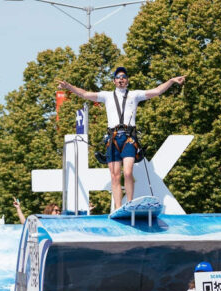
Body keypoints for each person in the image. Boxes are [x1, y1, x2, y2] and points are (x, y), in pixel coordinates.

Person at [58, 68, 186, 210]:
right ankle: (119, 207)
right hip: (113, 138)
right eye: (118, 77)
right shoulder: (107, 96)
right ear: (114, 81)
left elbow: (156, 91)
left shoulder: (134, 95)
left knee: (128, 172)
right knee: (115, 175)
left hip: (129, 137)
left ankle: (130, 203)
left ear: (127, 80)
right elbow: (85, 94)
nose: (121, 79)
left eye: (124, 77)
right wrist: (68, 86)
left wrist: (171, 81)